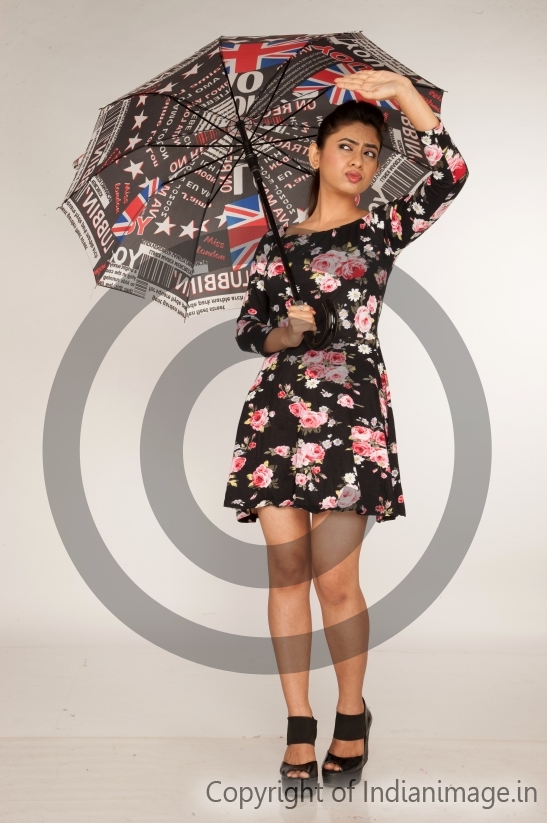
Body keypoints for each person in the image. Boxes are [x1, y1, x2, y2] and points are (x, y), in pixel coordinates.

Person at [223, 68, 469, 786]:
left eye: (369, 151)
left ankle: (352, 712)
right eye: (345, 147)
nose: (359, 160)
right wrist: (283, 332)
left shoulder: (380, 227)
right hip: (276, 416)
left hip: (351, 417)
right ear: (315, 156)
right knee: (286, 570)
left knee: (335, 580)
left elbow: (449, 172)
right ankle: (299, 720)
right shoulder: (274, 246)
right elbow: (248, 332)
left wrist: (400, 93)